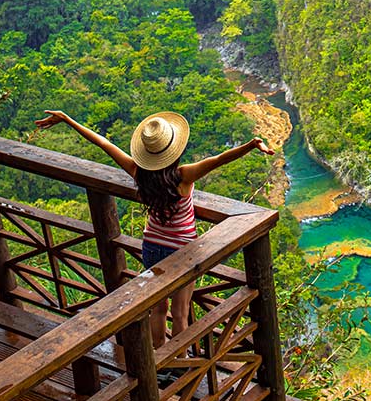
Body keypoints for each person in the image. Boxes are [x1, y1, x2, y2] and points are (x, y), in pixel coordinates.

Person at [35, 110, 274, 347]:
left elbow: (103, 143)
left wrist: (68, 119)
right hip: (182, 251)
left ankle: (160, 362)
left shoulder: (139, 173)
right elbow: (220, 159)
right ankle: (180, 363)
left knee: (158, 309)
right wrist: (251, 145)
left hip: (151, 246)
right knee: (180, 313)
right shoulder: (184, 175)